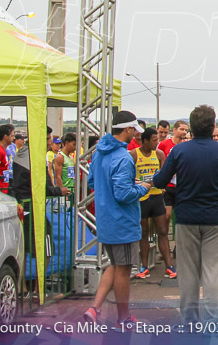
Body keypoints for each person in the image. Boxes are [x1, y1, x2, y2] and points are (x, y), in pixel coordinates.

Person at [150, 105, 218, 324]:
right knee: (212, 272)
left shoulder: (179, 150)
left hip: (187, 217)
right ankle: (211, 320)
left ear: (191, 127)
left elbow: (161, 180)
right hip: (216, 218)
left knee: (188, 273)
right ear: (212, 126)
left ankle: (189, 320)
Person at [83, 112, 151, 330]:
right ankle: (123, 318)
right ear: (128, 130)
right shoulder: (123, 157)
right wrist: (142, 187)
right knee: (123, 269)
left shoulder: (100, 152)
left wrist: (129, 183)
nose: (136, 136)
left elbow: (93, 180)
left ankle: (94, 308)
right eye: (134, 131)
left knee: (114, 265)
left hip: (105, 219)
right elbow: (123, 194)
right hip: (122, 221)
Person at [131, 128, 174, 280]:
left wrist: (160, 185)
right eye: (154, 140)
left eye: (157, 140)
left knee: (162, 231)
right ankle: (144, 266)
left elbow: (163, 175)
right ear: (145, 141)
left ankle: (169, 266)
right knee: (144, 233)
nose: (157, 143)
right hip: (141, 199)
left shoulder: (159, 154)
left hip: (156, 197)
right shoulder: (134, 154)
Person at [158, 118, 190, 224]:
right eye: (182, 129)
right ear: (175, 130)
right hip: (168, 185)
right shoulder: (164, 144)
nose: (184, 132)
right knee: (167, 216)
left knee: (182, 216)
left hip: (182, 185)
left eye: (186, 130)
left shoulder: (187, 145)